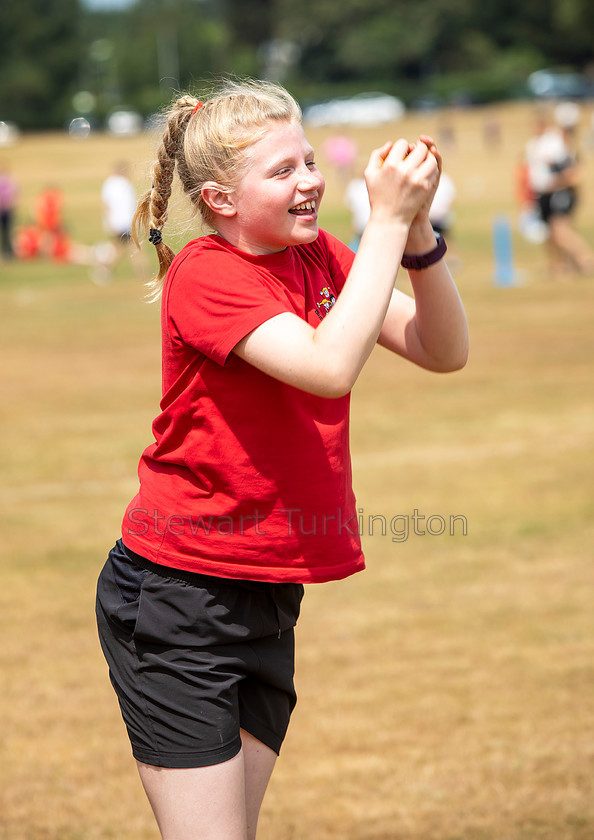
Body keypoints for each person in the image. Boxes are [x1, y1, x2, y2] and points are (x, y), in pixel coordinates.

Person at [95, 78, 468, 840]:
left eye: (309, 160)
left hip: (266, 591)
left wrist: (418, 236)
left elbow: (443, 350)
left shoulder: (321, 257)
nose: (310, 182)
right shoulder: (205, 274)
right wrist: (387, 227)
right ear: (221, 200)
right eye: (283, 171)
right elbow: (330, 366)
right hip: (179, 597)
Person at [525, 104, 594, 276]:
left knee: (561, 229)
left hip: (558, 192)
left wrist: (555, 184)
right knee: (551, 232)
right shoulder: (534, 144)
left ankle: (586, 260)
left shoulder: (553, 143)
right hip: (543, 193)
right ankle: (560, 265)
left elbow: (569, 170)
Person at [0, 163, 18, 259]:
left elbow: (14, 195)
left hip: (6, 210)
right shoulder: (10, 182)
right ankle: (6, 250)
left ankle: (8, 251)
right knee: (6, 231)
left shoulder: (10, 182)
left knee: (7, 231)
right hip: (4, 210)